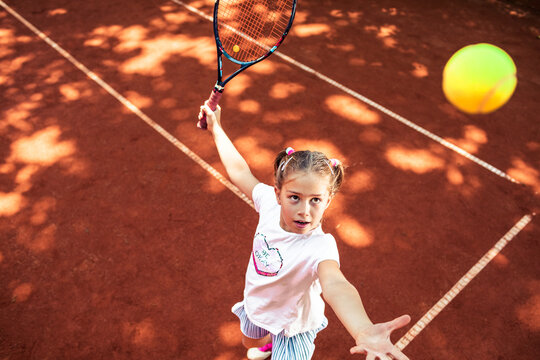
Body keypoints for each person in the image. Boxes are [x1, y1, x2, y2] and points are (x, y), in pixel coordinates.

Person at [198, 103, 411, 360]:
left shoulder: (320, 247)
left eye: (315, 200)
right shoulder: (267, 203)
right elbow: (240, 170)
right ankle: (269, 345)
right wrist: (216, 128)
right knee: (249, 342)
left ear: (328, 201)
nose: (304, 211)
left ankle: (278, 345)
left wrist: (363, 329)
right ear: (278, 194)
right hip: (258, 303)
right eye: (295, 197)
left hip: (292, 327)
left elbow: (336, 285)